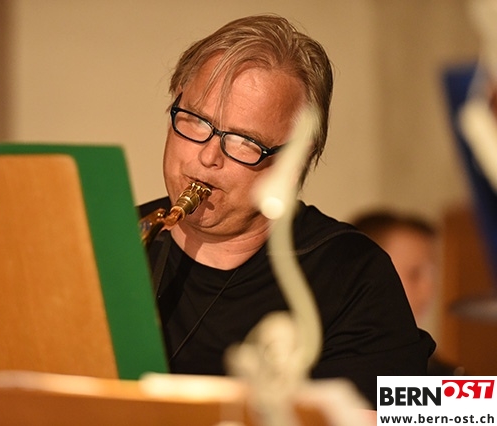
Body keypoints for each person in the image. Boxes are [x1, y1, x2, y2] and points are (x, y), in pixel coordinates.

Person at [138, 14, 435, 409]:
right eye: (195, 120)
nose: (208, 156)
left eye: (244, 141)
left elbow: (417, 411)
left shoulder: (352, 274)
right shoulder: (108, 237)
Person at [352, 210, 464, 375]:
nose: (428, 289)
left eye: (432, 274)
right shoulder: (328, 366)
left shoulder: (441, 373)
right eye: (414, 274)